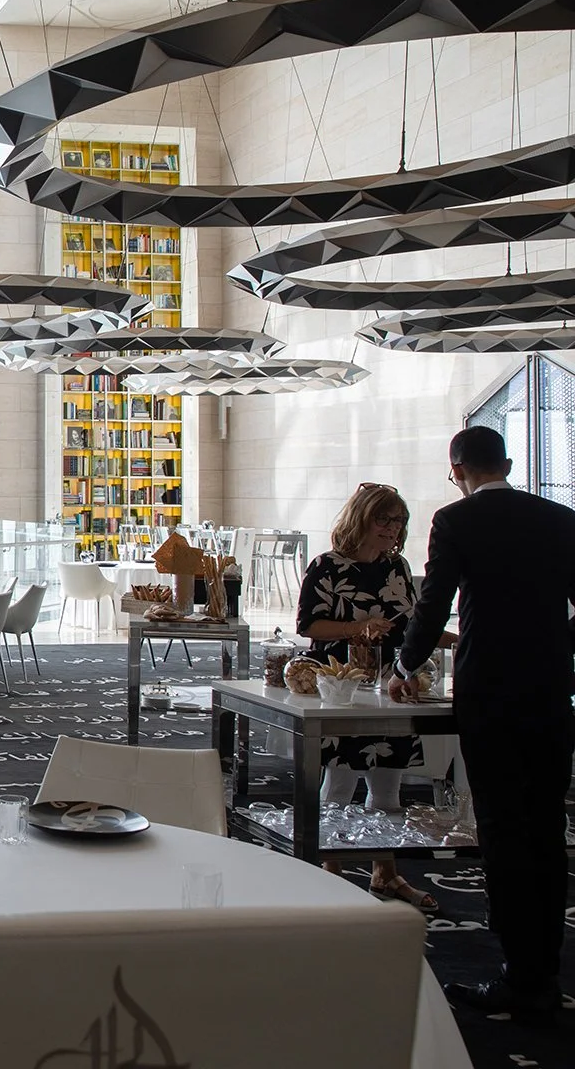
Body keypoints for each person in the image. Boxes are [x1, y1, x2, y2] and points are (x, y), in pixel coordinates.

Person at [396, 426, 575, 1022]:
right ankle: (544, 969)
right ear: (509, 464)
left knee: (501, 828)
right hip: (550, 692)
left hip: (490, 692)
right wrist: (557, 648)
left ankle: (520, 978)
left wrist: (405, 664)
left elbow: (433, 604)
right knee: (546, 827)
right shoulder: (561, 519)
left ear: (457, 471)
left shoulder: (456, 521)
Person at [295, 483, 450, 913]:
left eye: (398, 521)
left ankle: (385, 872)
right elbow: (309, 626)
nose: (392, 528)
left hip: (388, 684)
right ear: (361, 518)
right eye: (384, 519)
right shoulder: (327, 566)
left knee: (388, 783)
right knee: (340, 782)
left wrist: (456, 639)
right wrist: (357, 629)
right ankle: (330, 871)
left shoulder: (396, 566)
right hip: (340, 686)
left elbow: (411, 625)